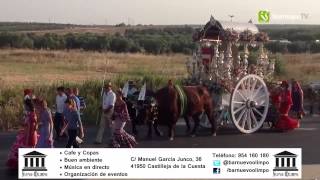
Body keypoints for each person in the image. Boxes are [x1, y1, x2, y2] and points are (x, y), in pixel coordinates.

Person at [6, 99, 38, 170]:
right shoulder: (30, 114)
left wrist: (27, 137)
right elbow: (27, 124)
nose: (24, 106)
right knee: (24, 149)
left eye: (25, 105)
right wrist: (22, 124)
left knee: (28, 149)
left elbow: (31, 126)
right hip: (27, 133)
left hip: (30, 135)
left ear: (28, 106)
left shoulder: (32, 115)